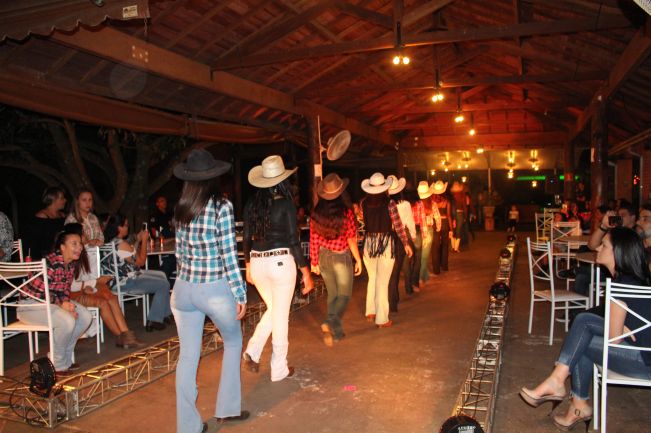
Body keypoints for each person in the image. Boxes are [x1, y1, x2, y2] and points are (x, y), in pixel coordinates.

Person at [519, 227, 651, 430]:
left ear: (617, 252)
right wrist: (621, 327)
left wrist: (619, 329)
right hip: (642, 353)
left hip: (644, 363)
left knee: (582, 336)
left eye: (604, 245)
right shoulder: (634, 280)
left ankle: (566, 392)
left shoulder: (621, 287)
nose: (597, 248)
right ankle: (573, 401)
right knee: (583, 329)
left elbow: (614, 339)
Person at [172, 149, 249, 432]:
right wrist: (240, 293)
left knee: (187, 356)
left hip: (183, 289)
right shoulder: (221, 207)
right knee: (233, 342)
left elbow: (179, 254)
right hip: (213, 288)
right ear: (213, 177)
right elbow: (228, 254)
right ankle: (227, 409)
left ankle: (188, 427)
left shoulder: (181, 208)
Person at [242, 155, 314, 381]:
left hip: (257, 262)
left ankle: (253, 351)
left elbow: (245, 237)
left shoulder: (252, 205)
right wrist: (305, 272)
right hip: (280, 263)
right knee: (281, 316)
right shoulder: (286, 204)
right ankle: (279, 368)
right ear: (283, 180)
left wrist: (248, 266)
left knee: (275, 310)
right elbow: (293, 241)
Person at [18, 226, 92, 374]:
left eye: (80, 244)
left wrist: (67, 305)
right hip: (30, 306)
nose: (79, 247)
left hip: (50, 304)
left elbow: (64, 291)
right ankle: (57, 365)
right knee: (67, 321)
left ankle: (64, 359)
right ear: (62, 247)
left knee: (85, 317)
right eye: (74, 244)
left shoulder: (70, 265)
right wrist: (61, 304)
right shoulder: (49, 263)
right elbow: (38, 294)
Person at [66, 223, 144, 349]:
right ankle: (122, 337)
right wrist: (94, 282)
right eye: (83, 234)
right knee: (103, 300)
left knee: (109, 295)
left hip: (83, 287)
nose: (85, 236)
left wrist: (93, 283)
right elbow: (69, 285)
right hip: (71, 295)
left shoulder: (82, 252)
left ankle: (126, 335)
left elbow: (83, 277)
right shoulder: (66, 258)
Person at [309, 173, 362, 346]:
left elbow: (313, 239)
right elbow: (351, 239)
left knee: (333, 295)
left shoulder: (316, 213)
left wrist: (314, 261)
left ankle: (337, 333)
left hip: (324, 256)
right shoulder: (346, 213)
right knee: (344, 296)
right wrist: (358, 260)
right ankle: (330, 322)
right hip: (341, 257)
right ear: (340, 192)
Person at [360, 172, 413, 328]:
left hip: (369, 243)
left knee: (372, 278)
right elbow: (398, 226)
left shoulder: (364, 203)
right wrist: (406, 243)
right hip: (385, 243)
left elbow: (365, 222)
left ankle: (370, 311)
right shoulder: (390, 203)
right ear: (384, 188)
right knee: (382, 282)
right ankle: (382, 319)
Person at [103, 214, 172, 332]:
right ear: (118, 227)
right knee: (163, 284)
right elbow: (141, 262)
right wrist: (144, 241)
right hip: (126, 281)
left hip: (121, 278)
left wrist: (138, 240)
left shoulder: (112, 242)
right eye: (125, 225)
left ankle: (164, 314)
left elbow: (131, 256)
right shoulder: (121, 244)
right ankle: (154, 320)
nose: (128, 228)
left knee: (162, 276)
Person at [387, 176, 414, 313]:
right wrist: (410, 239)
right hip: (398, 237)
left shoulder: (384, 203)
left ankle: (392, 299)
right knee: (396, 270)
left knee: (389, 271)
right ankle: (394, 300)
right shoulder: (404, 204)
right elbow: (405, 223)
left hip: (385, 237)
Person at [23, 187, 67, 260]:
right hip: (45, 256)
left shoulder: (63, 215)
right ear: (53, 199)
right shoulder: (41, 217)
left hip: (60, 252)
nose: (65, 200)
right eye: (62, 198)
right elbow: (34, 242)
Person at [430, 181, 451, 275]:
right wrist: (451, 229)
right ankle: (445, 266)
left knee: (435, 246)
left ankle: (436, 269)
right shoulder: (446, 201)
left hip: (435, 223)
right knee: (445, 245)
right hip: (445, 223)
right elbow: (449, 215)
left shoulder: (432, 201)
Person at [416, 181, 434, 286]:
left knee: (422, 255)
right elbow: (436, 216)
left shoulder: (417, 204)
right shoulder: (431, 204)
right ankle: (420, 277)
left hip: (419, 230)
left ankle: (424, 275)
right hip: (427, 230)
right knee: (424, 256)